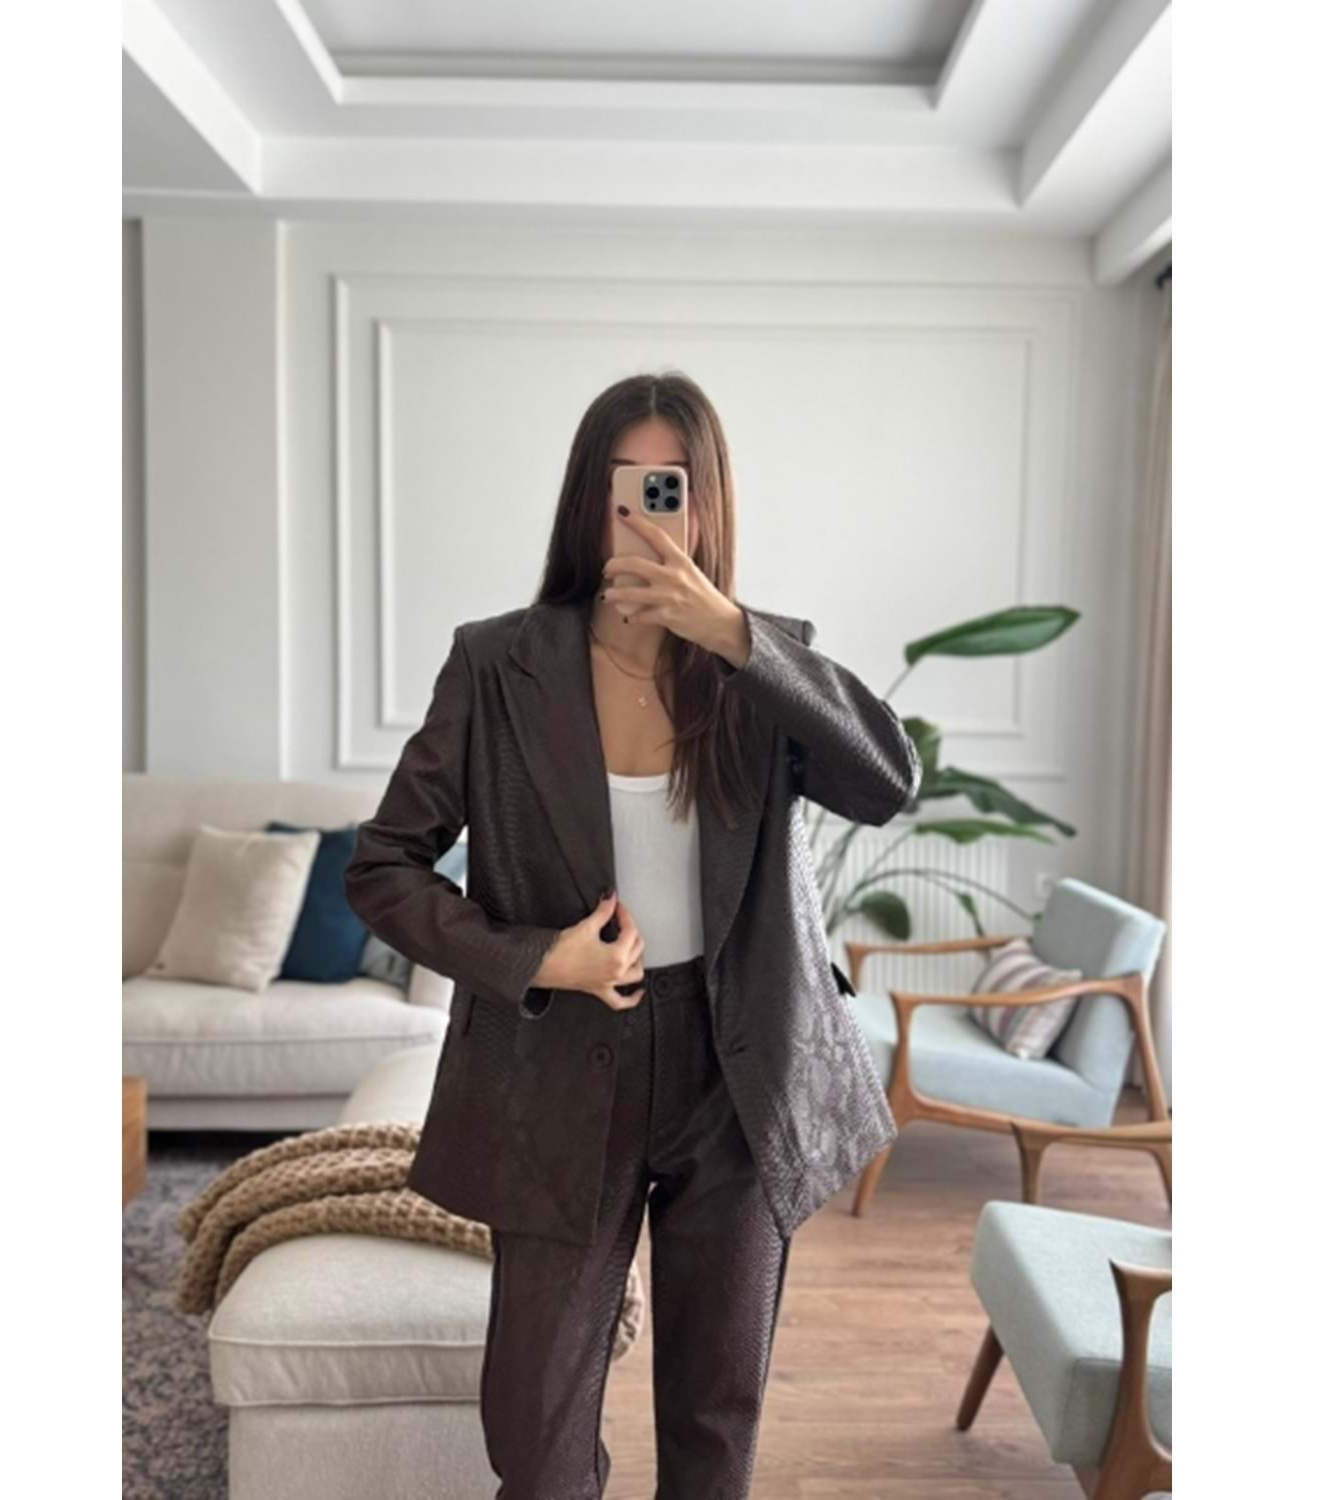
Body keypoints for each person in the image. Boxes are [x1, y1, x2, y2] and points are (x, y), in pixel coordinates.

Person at [345, 370, 922, 1499]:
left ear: (709, 503)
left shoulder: (766, 666)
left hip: (736, 1072)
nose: (649, 513)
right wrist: (536, 959)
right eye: (627, 488)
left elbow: (887, 781)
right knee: (538, 1439)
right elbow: (384, 868)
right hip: (559, 1068)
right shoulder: (498, 664)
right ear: (588, 501)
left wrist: (737, 638)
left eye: (674, 487)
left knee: (715, 1421)